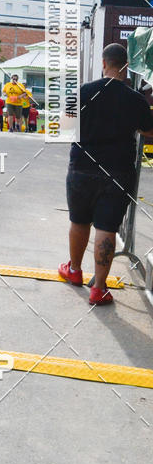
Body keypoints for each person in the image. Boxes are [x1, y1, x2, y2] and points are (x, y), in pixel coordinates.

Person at [59, 43, 153, 305]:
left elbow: (66, 124)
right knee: (107, 227)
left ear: (104, 63)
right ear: (127, 66)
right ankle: (99, 289)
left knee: (79, 221)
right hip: (118, 171)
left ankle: (75, 271)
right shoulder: (135, 99)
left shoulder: (84, 92)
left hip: (81, 167)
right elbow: (149, 130)